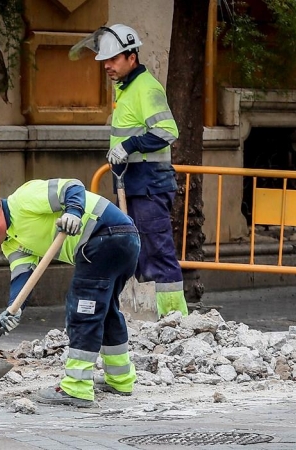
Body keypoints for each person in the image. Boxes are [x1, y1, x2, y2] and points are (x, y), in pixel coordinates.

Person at [0, 179, 140, 407]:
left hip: (106, 236)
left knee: (82, 312)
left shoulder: (23, 199)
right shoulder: (11, 243)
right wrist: (14, 308)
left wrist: (73, 212)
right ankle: (120, 378)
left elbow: (72, 187)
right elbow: (23, 278)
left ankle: (77, 388)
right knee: (106, 311)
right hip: (120, 242)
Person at [91, 24, 189, 317]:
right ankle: (147, 316)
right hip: (132, 183)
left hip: (149, 185)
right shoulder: (125, 89)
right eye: (104, 60)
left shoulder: (146, 88)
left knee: (156, 250)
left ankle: (175, 319)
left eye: (113, 59)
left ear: (132, 56)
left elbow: (167, 131)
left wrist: (130, 145)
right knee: (137, 251)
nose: (107, 65)